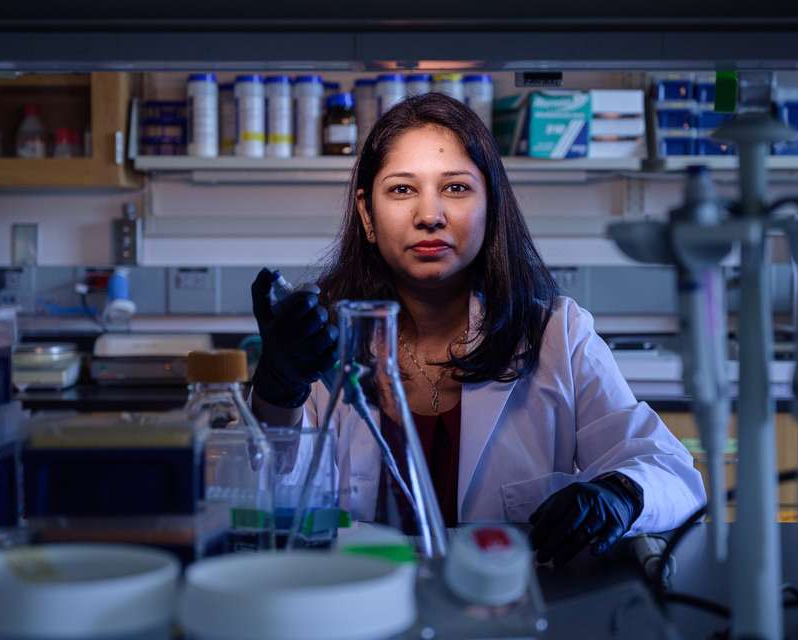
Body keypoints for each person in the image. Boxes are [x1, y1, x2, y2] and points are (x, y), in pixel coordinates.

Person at [250, 93, 705, 566]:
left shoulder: (556, 334)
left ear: (491, 203)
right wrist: (278, 390)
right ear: (367, 213)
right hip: (360, 613)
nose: (430, 216)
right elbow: (263, 503)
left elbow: (672, 472)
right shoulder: (322, 340)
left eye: (456, 189)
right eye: (403, 190)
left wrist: (620, 495)